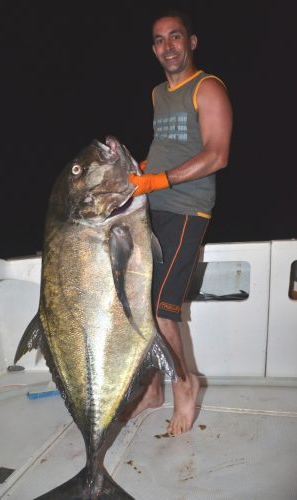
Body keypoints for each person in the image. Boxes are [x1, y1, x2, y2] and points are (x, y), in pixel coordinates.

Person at [127, 9, 233, 435]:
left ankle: (184, 388)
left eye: (175, 37)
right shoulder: (157, 93)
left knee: (163, 308)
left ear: (191, 42)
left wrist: (159, 179)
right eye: (159, 40)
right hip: (153, 207)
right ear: (153, 48)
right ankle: (153, 389)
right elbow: (168, 146)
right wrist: (141, 175)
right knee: (142, 304)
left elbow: (217, 154)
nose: (167, 46)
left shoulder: (207, 88)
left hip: (189, 209)